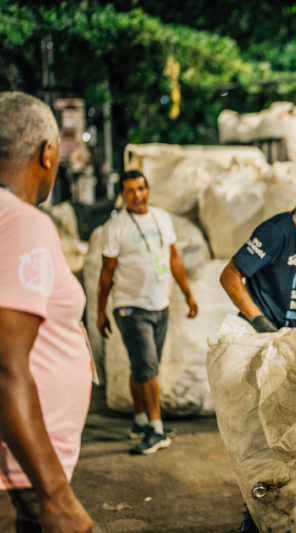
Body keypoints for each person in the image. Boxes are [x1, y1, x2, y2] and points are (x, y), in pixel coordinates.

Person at [219, 168, 296, 532]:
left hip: (287, 346)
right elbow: (230, 276)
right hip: (262, 345)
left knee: (289, 437)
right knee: (262, 440)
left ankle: (274, 517)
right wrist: (261, 324)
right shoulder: (276, 232)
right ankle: (254, 520)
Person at [0, 92, 93, 532]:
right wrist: (54, 495)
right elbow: (6, 365)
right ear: (47, 152)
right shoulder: (21, 222)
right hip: (21, 479)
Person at [97, 170, 199, 455]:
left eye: (141, 189)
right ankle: (156, 429)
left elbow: (173, 258)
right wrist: (101, 311)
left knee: (141, 366)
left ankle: (140, 420)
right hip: (130, 307)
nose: (137, 195)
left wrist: (188, 294)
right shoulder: (115, 228)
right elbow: (106, 274)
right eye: (129, 191)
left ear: (148, 189)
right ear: (122, 195)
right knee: (148, 368)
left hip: (160, 305)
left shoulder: (161, 218)